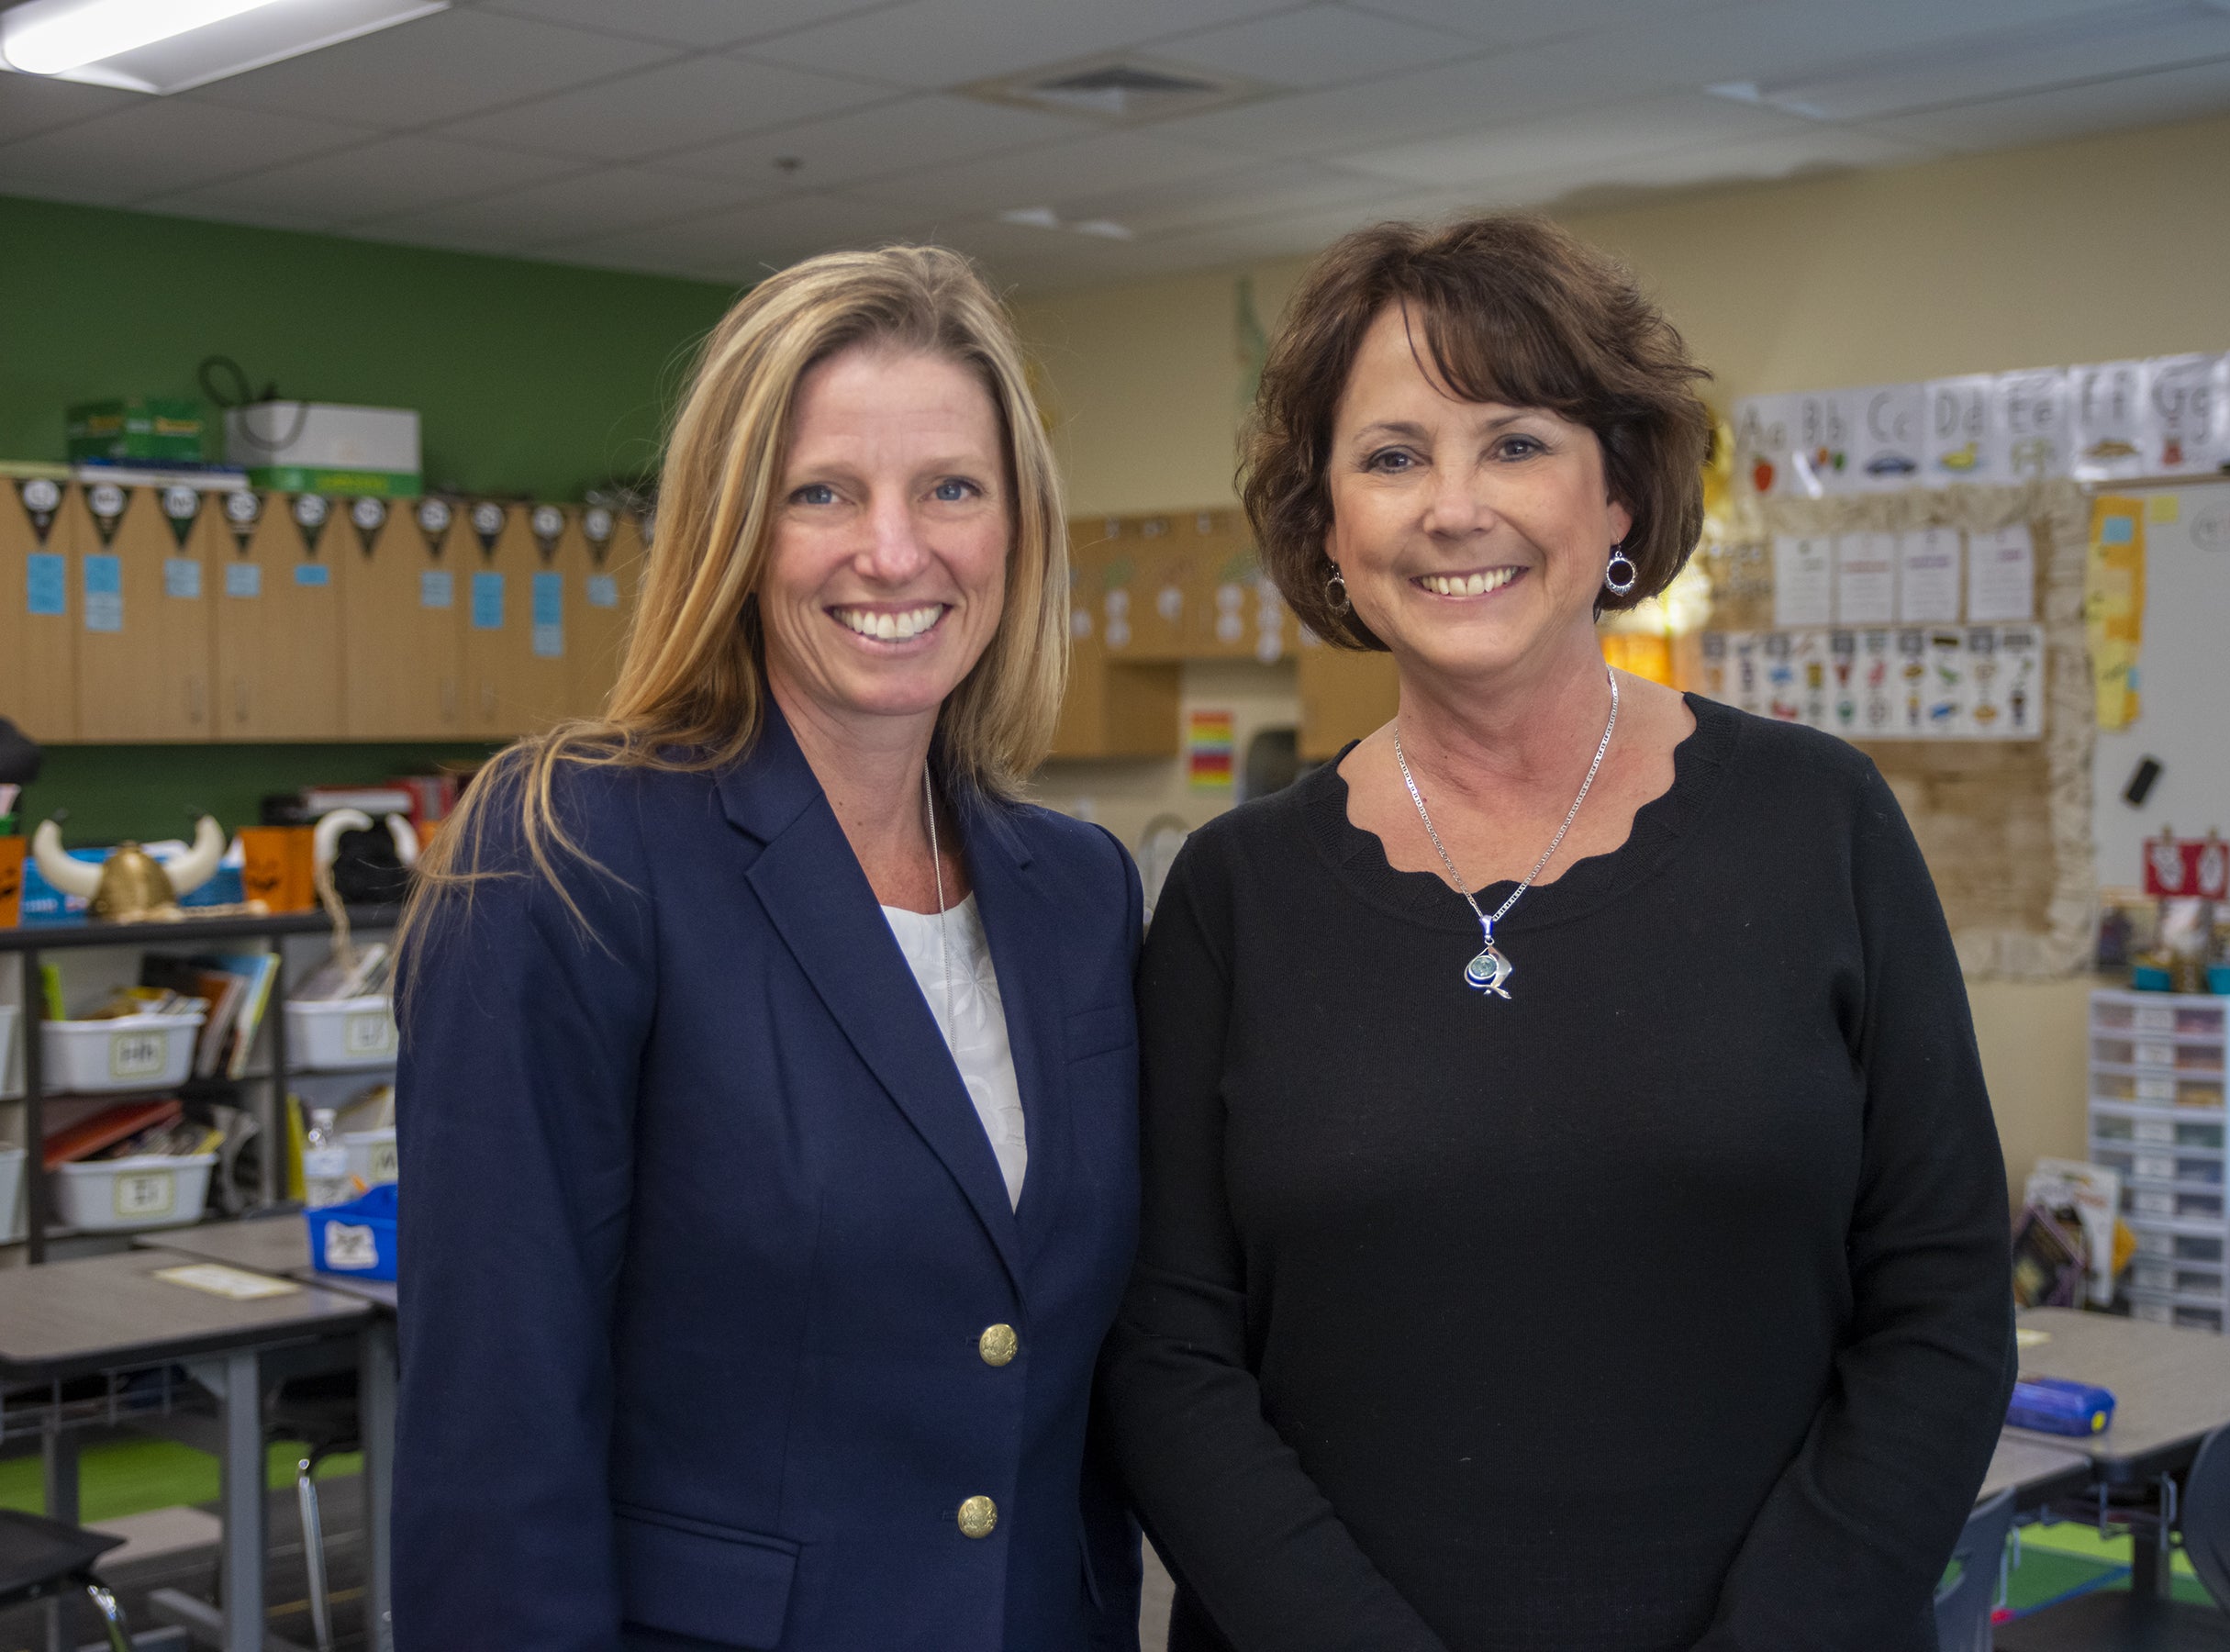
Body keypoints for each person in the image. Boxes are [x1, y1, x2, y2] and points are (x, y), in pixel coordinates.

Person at [1102, 216, 2016, 1652]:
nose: (1454, 506)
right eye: (1392, 456)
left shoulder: (1819, 821)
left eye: (1516, 442)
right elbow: (1166, 1355)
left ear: (1622, 502)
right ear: (1330, 529)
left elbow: (1946, 1303)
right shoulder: (1232, 894)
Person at [394, 246, 1143, 1652]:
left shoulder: (1079, 891)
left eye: (950, 490)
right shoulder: (570, 855)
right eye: (822, 494)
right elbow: (493, 1435)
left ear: (1017, 528)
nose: (895, 550)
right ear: (732, 527)